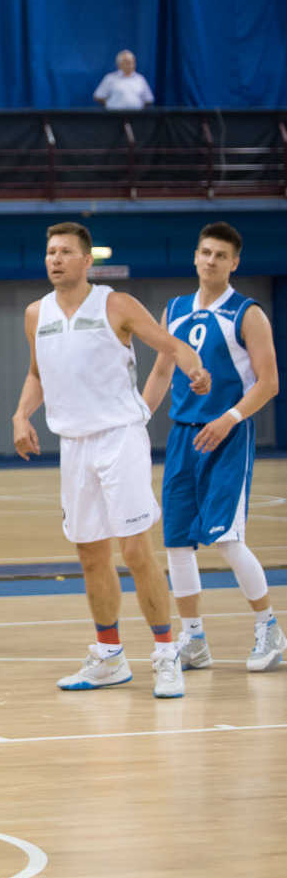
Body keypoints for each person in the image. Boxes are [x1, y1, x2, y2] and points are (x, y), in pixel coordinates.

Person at [13, 222, 209, 698]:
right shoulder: (36, 314)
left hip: (119, 438)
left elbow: (170, 345)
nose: (55, 259)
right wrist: (21, 414)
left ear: (86, 261)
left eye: (65, 252)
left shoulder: (115, 304)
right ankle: (109, 656)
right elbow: (38, 372)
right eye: (50, 252)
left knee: (137, 550)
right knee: (89, 554)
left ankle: (166, 654)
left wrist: (193, 367)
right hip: (74, 445)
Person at [140, 222, 283, 672]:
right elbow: (162, 373)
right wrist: (138, 420)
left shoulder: (247, 312)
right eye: (205, 252)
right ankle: (195, 639)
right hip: (183, 436)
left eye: (221, 255)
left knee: (225, 537)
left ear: (234, 263)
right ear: (195, 256)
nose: (210, 260)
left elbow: (270, 382)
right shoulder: (175, 309)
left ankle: (270, 629)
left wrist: (230, 418)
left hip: (228, 434)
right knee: (178, 543)